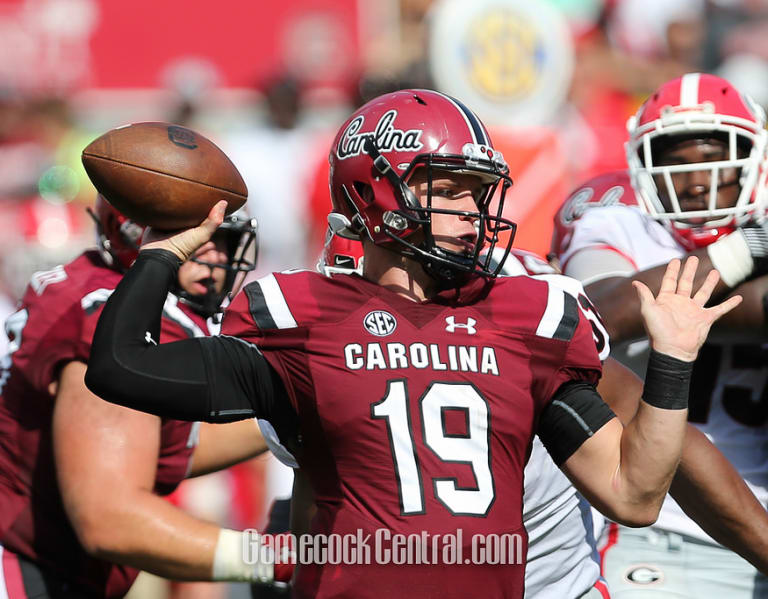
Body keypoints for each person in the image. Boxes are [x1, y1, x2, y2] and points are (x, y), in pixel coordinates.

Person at [85, 89, 739, 599]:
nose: (472, 213)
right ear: (375, 191)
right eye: (450, 190)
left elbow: (634, 493)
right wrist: (162, 253)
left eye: (478, 193)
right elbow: (121, 366)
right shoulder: (303, 316)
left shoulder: (526, 316)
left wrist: (673, 364)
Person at [552, 72, 768, 597]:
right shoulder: (616, 223)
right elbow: (596, 315)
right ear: (644, 167)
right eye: (677, 161)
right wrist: (749, 248)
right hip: (659, 528)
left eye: (715, 160)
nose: (697, 181)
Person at [0, 196, 277, 598]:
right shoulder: (111, 322)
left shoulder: (104, 289)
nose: (216, 257)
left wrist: (308, 415)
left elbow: (163, 446)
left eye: (223, 240)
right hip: (25, 569)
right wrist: (286, 556)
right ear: (134, 233)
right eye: (195, 239)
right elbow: (110, 521)